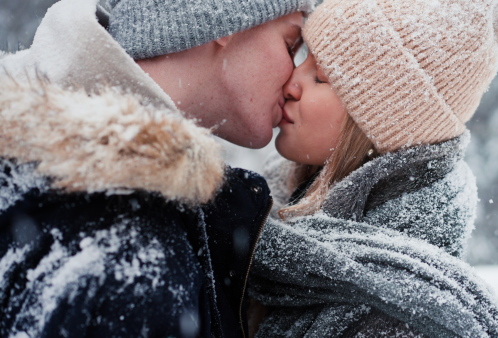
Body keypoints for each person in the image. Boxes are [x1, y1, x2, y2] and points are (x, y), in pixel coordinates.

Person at [0, 0, 314, 336]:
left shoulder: (50, 184)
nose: (295, 79)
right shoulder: (127, 248)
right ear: (225, 22)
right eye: (290, 44)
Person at [248, 0, 498, 336]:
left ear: (377, 125)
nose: (291, 83)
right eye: (304, 60)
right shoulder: (272, 214)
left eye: (319, 76)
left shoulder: (400, 320)